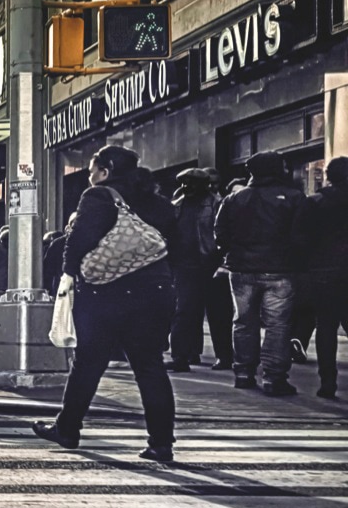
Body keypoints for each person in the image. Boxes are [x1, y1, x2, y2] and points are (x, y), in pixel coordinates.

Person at [34, 145, 178, 463]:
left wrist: (68, 274)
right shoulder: (160, 204)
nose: (89, 176)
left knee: (88, 363)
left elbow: (80, 240)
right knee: (150, 367)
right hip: (155, 292)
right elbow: (176, 248)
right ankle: (162, 443)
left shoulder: (100, 197)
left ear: (105, 171)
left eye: (91, 170)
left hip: (105, 294)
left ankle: (68, 429)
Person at [216, 149, 305, 395]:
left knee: (243, 321)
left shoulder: (234, 199)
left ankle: (243, 373)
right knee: (278, 325)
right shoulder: (294, 197)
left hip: (242, 269)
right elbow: (301, 236)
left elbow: (220, 234)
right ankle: (274, 378)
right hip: (280, 269)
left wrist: (233, 252)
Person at [293, 157, 348, 400]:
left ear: (328, 176)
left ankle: (328, 382)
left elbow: (300, 238)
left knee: (325, 326)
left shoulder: (314, 203)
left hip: (323, 271)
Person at [166, 168, 225, 372]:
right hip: (184, 266)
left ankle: (224, 356)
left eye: (192, 183)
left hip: (210, 264)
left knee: (218, 313)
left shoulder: (216, 204)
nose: (187, 187)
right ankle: (182, 356)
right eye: (185, 183)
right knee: (184, 311)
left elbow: (222, 233)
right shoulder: (177, 205)